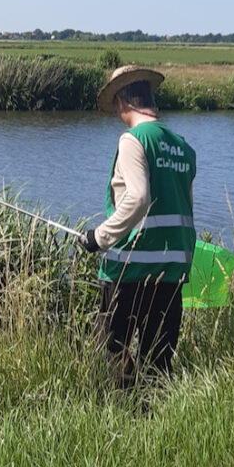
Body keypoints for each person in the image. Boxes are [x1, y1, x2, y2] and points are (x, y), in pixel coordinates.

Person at [78, 65, 196, 389]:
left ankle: (125, 423)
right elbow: (184, 206)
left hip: (130, 271)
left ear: (122, 103)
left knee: (116, 354)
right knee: (159, 359)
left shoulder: (133, 140)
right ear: (150, 100)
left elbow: (138, 198)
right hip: (171, 271)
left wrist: (98, 237)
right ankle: (159, 426)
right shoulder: (182, 146)